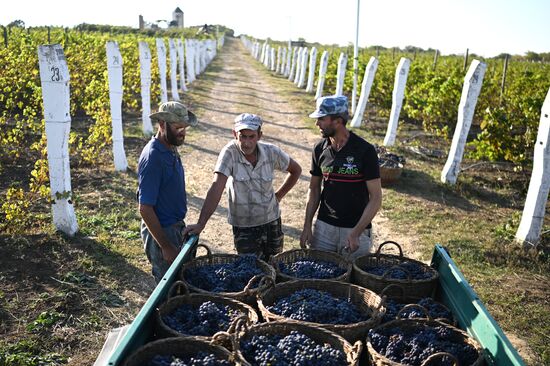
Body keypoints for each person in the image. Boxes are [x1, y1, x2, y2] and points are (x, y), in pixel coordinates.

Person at [184, 113, 302, 261]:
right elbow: (216, 187)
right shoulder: (229, 153)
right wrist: (201, 223)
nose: (246, 143)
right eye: (242, 136)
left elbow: (296, 170)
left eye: (251, 136)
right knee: (251, 270)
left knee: (276, 265)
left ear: (259, 135)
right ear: (235, 134)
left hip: (271, 221)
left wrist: (278, 196)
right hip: (244, 226)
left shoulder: (271, 152)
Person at [300, 95, 382, 259]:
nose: (317, 124)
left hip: (355, 229)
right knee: (319, 277)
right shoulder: (319, 149)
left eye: (322, 119)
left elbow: (376, 198)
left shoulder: (365, 151)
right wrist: (307, 225)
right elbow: (314, 189)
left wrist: (356, 233)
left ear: (337, 121)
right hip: (324, 228)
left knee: (352, 280)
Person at [137, 101, 198, 283]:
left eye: (185, 127)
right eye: (178, 127)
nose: (182, 132)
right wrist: (166, 246)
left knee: (182, 282)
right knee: (168, 290)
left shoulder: (170, 148)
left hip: (175, 227)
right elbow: (145, 208)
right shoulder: (153, 157)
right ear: (162, 124)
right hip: (162, 231)